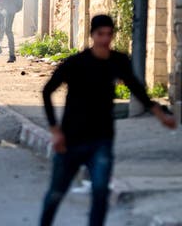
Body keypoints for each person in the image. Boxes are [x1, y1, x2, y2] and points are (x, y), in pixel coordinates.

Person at [40, 15, 178, 226]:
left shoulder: (118, 61)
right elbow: (47, 91)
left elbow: (136, 88)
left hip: (101, 139)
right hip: (71, 140)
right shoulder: (76, 63)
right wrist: (55, 130)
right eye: (100, 34)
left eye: (108, 34)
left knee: (100, 192)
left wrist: (159, 114)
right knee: (56, 194)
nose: (104, 39)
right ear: (92, 35)